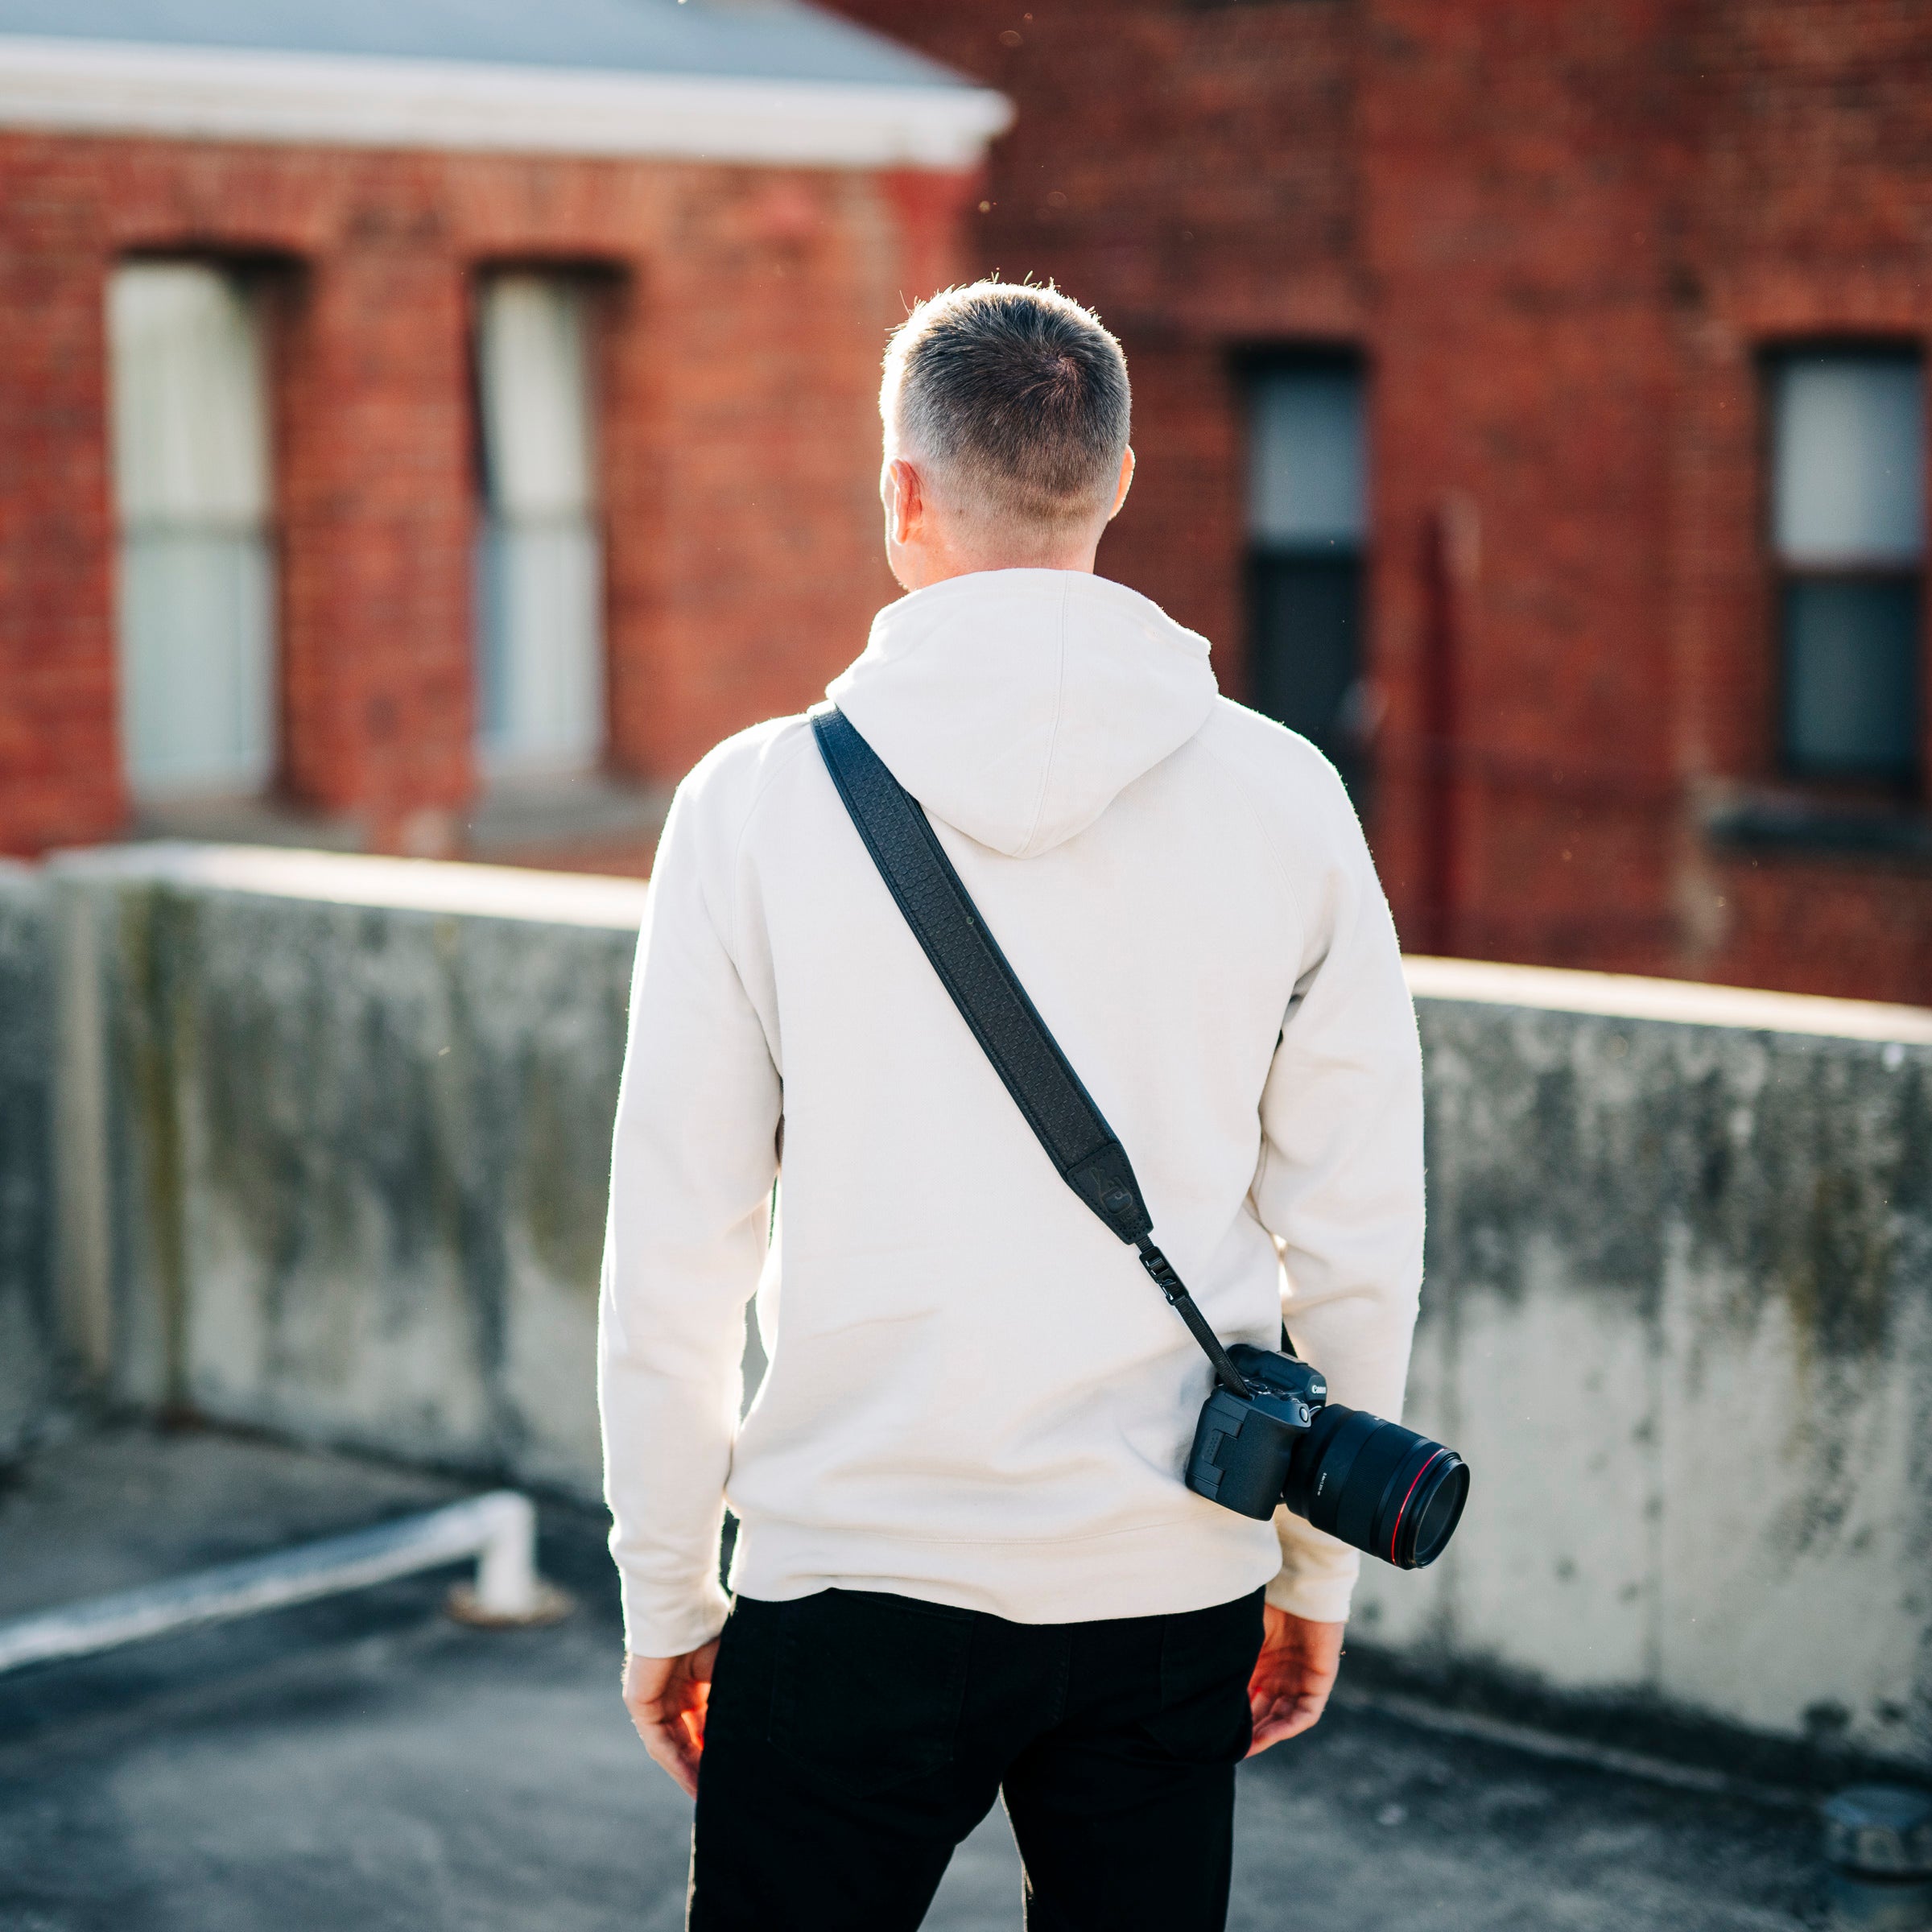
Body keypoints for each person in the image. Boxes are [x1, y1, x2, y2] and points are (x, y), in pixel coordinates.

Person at [599, 281, 1424, 1931]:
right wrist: (1314, 1576)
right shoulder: (1285, 796)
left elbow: (676, 1256)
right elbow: (1358, 1234)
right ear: (1118, 483)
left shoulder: (755, 805)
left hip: (848, 1572)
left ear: (902, 492)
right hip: (1168, 1575)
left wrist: (670, 1595)